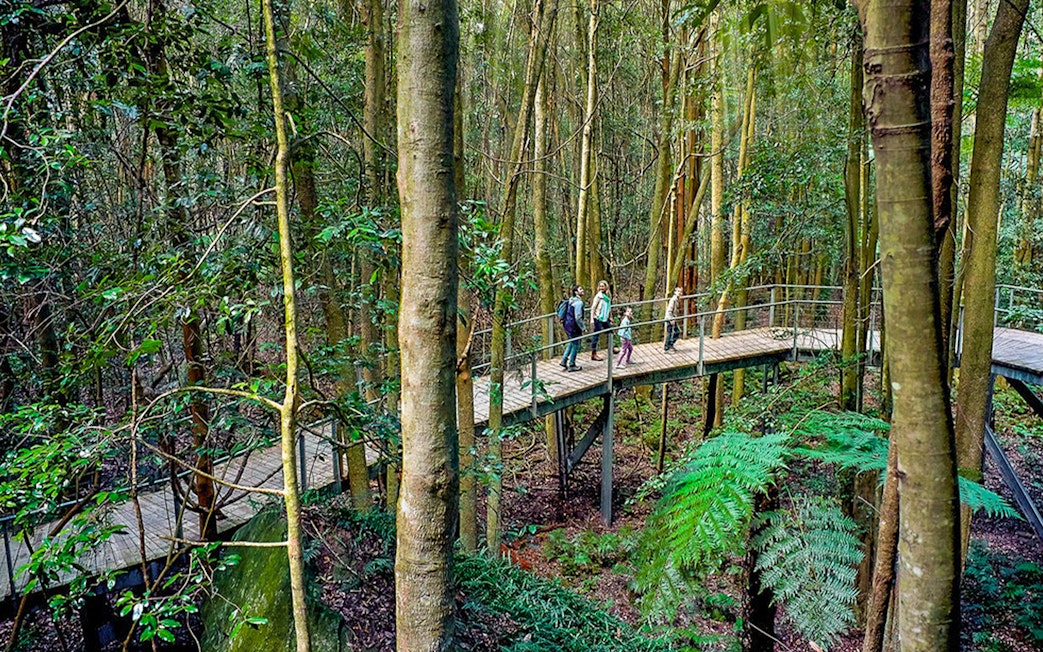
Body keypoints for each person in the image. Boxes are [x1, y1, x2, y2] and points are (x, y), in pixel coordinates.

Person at [559, 285, 585, 371]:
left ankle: (564, 360)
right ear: (576, 292)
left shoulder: (571, 300)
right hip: (574, 326)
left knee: (572, 342)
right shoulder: (578, 303)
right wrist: (583, 327)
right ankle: (572, 364)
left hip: (567, 324)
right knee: (576, 345)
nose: (582, 290)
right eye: (580, 289)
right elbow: (578, 317)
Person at [589, 280, 612, 361]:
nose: (601, 288)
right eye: (600, 286)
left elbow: (609, 308)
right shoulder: (598, 296)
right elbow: (593, 308)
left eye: (603, 286)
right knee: (596, 335)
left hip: (605, 318)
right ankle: (593, 353)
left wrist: (610, 317)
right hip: (598, 318)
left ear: (606, 287)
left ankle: (611, 347)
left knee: (610, 332)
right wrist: (592, 319)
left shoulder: (607, 296)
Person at [664, 286, 682, 351]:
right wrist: (671, 319)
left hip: (673, 318)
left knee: (676, 331)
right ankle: (667, 347)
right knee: (670, 333)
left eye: (681, 292)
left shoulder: (677, 299)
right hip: (670, 318)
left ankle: (670, 345)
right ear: (675, 292)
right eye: (678, 291)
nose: (680, 293)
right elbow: (669, 310)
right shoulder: (673, 300)